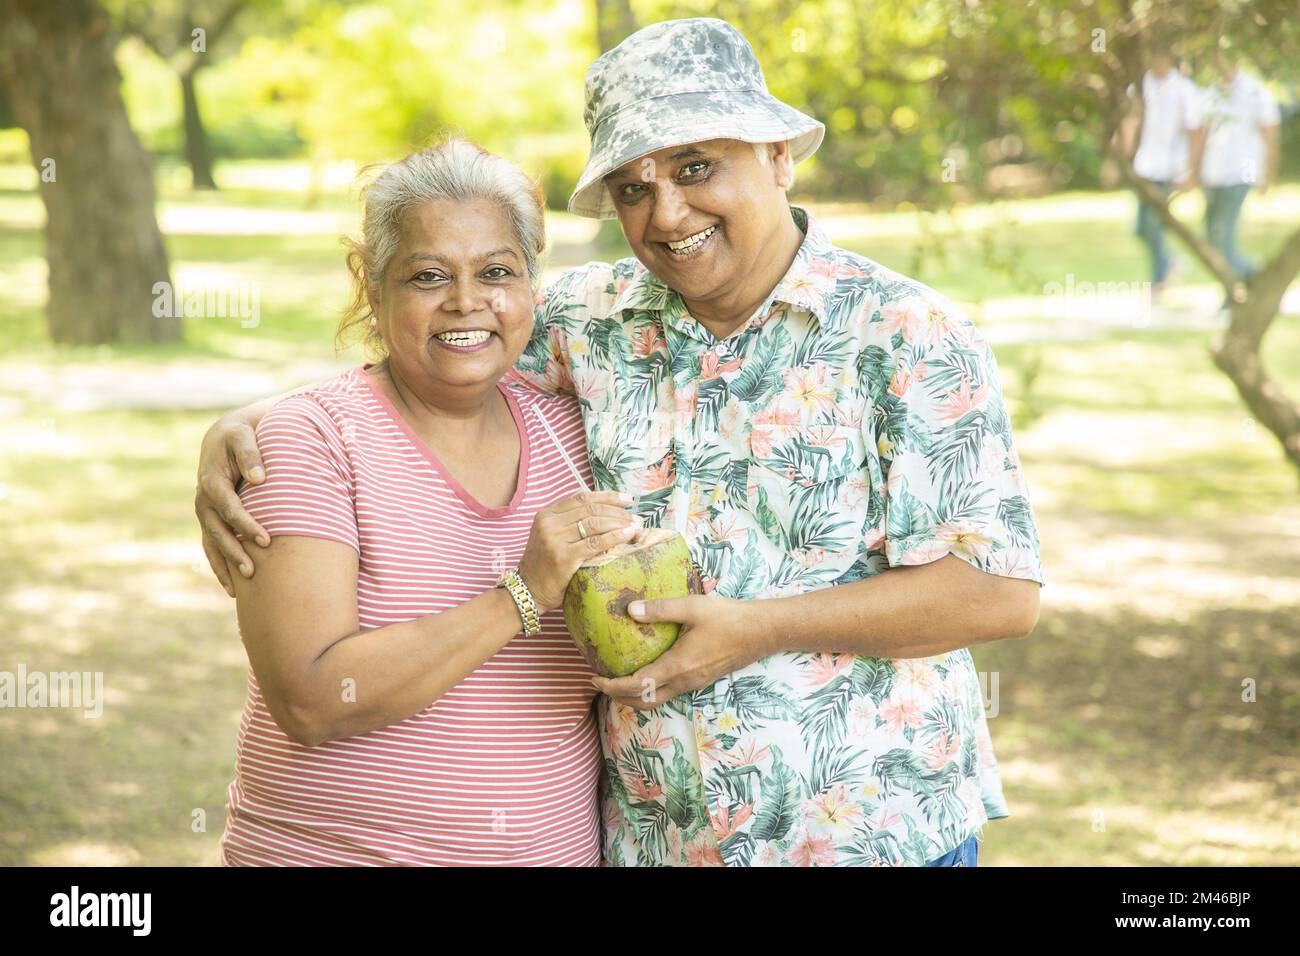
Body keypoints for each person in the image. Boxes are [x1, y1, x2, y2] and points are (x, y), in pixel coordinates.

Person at [199, 18, 1043, 867]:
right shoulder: (590, 320)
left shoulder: (907, 335)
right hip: (657, 841)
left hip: (868, 834)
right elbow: (438, 339)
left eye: (696, 168)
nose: (668, 212)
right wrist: (244, 427)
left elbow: (996, 592)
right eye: (634, 188)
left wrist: (756, 627)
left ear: (780, 155)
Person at [215, 137, 640, 865]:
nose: (467, 301)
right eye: (428, 275)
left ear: (532, 288)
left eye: (498, 271)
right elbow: (311, 699)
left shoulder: (576, 431)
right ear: (372, 287)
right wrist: (522, 594)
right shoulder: (309, 440)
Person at [1121, 44, 1204, 292]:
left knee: (1153, 224)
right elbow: (1131, 121)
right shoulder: (1141, 86)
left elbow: (1195, 132)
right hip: (1146, 164)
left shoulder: (1184, 90)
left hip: (1170, 167)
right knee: (1141, 227)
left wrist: (1191, 171)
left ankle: (1159, 279)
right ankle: (1169, 263)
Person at [1199, 41, 1281, 288]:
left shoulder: (1256, 93)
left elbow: (1270, 136)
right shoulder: (1211, 93)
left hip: (1239, 174)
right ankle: (1240, 283)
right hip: (1212, 174)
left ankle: (1251, 278)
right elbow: (1203, 134)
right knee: (1212, 240)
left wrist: (1268, 174)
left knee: (1222, 237)